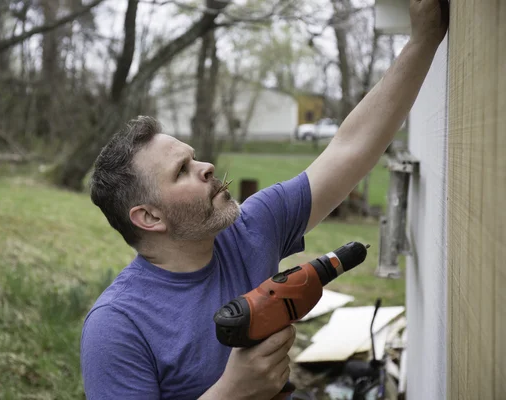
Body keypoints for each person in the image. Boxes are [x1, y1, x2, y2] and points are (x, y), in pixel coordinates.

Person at [80, 1, 448, 398]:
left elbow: (350, 148)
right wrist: (232, 392)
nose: (205, 166)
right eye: (182, 170)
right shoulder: (117, 327)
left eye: (194, 156)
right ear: (149, 216)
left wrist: (424, 38)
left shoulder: (251, 229)